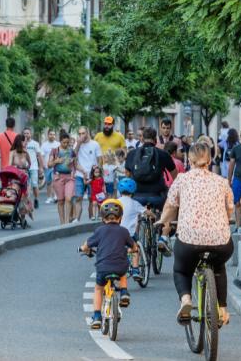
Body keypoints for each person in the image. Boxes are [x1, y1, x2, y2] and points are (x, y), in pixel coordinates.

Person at [157, 142, 234, 326]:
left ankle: (186, 300)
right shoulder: (221, 182)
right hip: (220, 241)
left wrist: (162, 221)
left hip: (189, 241)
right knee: (219, 266)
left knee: (181, 270)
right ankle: (222, 309)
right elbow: (230, 209)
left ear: (189, 160)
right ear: (209, 159)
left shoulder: (182, 180)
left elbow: (170, 206)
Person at [80, 199, 138, 329]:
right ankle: (123, 292)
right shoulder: (124, 231)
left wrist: (83, 248)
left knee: (98, 288)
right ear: (121, 218)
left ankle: (96, 317)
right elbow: (134, 247)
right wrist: (133, 249)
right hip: (119, 266)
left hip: (103, 267)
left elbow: (86, 246)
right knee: (123, 270)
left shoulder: (99, 231)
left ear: (102, 218)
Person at [125, 127, 177, 254]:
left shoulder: (132, 154)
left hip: (137, 195)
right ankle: (163, 237)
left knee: (136, 215)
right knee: (171, 207)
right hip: (157, 196)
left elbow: (127, 175)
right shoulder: (162, 154)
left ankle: (134, 240)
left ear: (141, 138)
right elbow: (174, 175)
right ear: (155, 139)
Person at [117, 177, 145, 279]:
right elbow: (145, 212)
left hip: (116, 233)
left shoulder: (116, 202)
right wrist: (152, 215)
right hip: (129, 234)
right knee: (135, 248)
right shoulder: (135, 203)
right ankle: (135, 269)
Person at [74, 126, 102, 223]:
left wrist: (96, 174)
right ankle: (77, 219)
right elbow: (74, 158)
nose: (81, 136)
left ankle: (91, 218)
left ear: (88, 133)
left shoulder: (95, 144)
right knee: (78, 197)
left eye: (83, 133)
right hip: (79, 174)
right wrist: (78, 143)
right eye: (79, 134)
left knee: (91, 198)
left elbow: (99, 160)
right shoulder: (77, 144)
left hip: (92, 176)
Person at [49, 132, 76, 224]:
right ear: (60, 141)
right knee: (60, 201)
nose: (66, 144)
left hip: (69, 177)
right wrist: (56, 161)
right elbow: (49, 165)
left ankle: (67, 221)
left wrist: (81, 172)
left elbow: (75, 165)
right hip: (58, 177)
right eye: (64, 142)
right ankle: (62, 223)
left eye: (67, 143)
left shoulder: (71, 151)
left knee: (68, 198)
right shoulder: (55, 151)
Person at [23, 128, 45, 209]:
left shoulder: (35, 144)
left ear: (30, 134)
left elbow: (39, 155)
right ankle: (28, 201)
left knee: (35, 185)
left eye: (27, 133)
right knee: (26, 185)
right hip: (24, 168)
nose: (26, 135)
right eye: (24, 133)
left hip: (34, 167)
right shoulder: (22, 144)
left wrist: (41, 167)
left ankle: (36, 199)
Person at [41, 130, 60, 203]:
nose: (52, 136)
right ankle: (49, 197)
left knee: (54, 181)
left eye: (53, 134)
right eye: (51, 134)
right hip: (47, 166)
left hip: (56, 166)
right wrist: (42, 165)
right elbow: (42, 156)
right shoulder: (44, 145)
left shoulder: (58, 144)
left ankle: (55, 196)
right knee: (48, 182)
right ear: (48, 135)